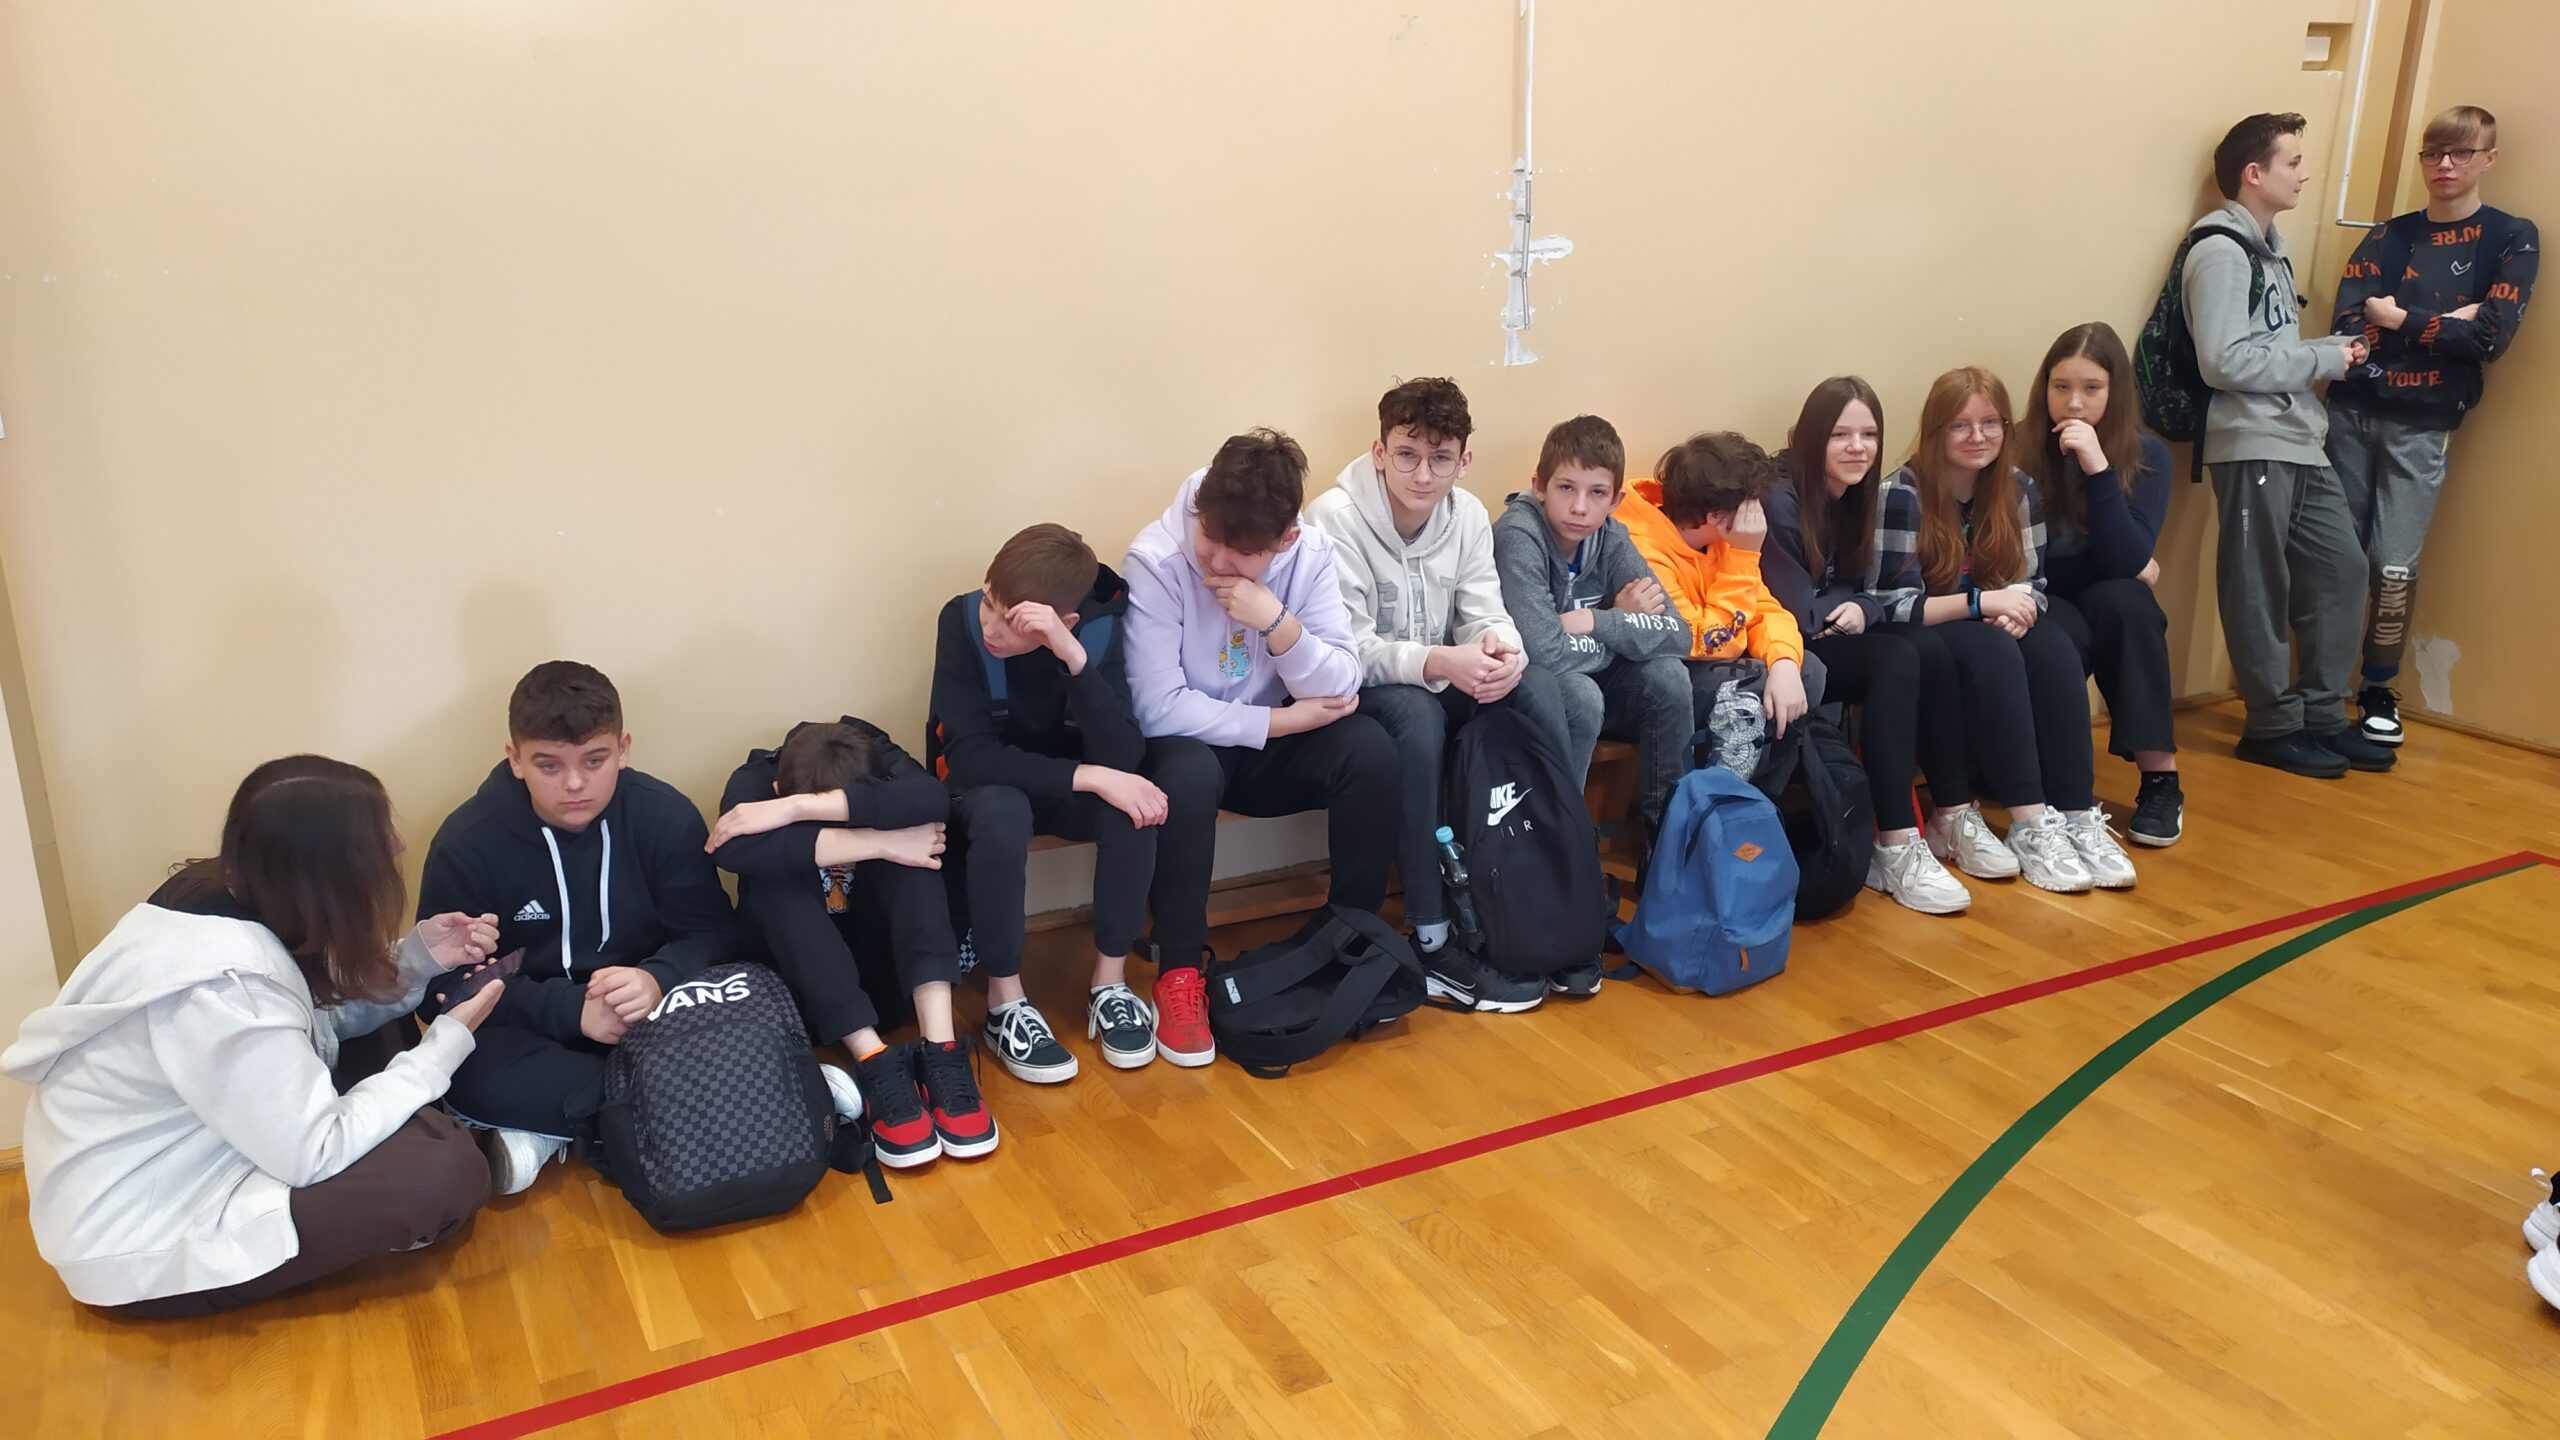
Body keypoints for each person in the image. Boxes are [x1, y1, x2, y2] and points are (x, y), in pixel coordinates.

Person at [3, 756, 505, 1316]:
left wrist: (416, 959)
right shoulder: (224, 987)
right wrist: (445, 1043)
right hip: (139, 1233)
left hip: (202, 1134)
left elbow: (309, 1015)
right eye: (379, 837)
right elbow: (313, 1153)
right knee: (445, 1173)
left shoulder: (218, 894)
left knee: (385, 1013)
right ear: (329, 867)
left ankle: (414, 1130)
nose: (398, 845)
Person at [1123, 428, 1400, 1062]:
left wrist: (1278, 624)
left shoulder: (1312, 553)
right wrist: (1285, 723)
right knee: (1188, 775)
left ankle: (1351, 940)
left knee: (1370, 750)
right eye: (1211, 538)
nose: (1219, 562)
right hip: (1193, 742)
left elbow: (1343, 680)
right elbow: (1156, 708)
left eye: (1243, 552)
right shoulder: (1156, 559)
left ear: (1285, 541)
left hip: (1268, 745)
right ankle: (1179, 971)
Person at [415, 661, 739, 1194]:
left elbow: (713, 935)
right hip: (536, 1030)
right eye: (548, 765)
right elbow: (444, 991)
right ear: (515, 759)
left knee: (743, 991)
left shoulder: (664, 816)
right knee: (460, 1064)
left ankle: (557, 1129)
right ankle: (723, 1097)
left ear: (623, 749)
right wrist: (571, 1011)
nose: (574, 784)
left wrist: (656, 978)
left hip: (652, 1016)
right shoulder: (467, 842)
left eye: (595, 760)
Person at [1306, 377, 1571, 1012]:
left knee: (1538, 686)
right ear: (1379, 451)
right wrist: (1438, 661)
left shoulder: (1469, 514)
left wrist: (1503, 652)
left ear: (1463, 460)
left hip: (1442, 670)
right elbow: (1350, 652)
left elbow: (1486, 611)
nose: (1423, 475)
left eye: (1440, 458)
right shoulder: (1333, 518)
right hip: (1369, 692)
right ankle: (1432, 936)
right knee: (1418, 715)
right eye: (1407, 454)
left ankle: (1550, 900)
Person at [926, 523, 1191, 1078]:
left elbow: (1124, 752)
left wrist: (1075, 661)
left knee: (1134, 807)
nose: (992, 626)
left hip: (1064, 785)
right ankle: (1004, 1001)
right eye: (991, 604)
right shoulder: (960, 621)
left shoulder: (1096, 632)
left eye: (1013, 621)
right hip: (990, 788)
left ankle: (1110, 985)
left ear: (1062, 622)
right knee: (1003, 812)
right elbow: (970, 757)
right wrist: (1090, 776)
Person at [1872, 367, 2136, 894]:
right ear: (1936, 430)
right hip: (1931, 625)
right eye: (1960, 425)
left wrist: (2022, 608)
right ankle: (2029, 823)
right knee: (1991, 650)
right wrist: (1982, 603)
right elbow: (1890, 602)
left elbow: (2032, 581)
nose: (1978, 436)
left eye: (1991, 423)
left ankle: (2076, 814)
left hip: (1995, 615)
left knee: (2054, 646)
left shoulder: (2017, 487)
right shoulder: (1902, 491)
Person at [2185, 111, 2391, 779]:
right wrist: (2322, 359)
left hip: (2300, 437)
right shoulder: (2220, 250)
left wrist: (2325, 351)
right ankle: (2272, 726)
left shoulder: (2269, 249)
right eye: (2293, 162)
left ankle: (2323, 716)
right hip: (2252, 441)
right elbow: (2223, 361)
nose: (2304, 174)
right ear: (2255, 173)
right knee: (2258, 584)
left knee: (2342, 570)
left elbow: (2265, 349)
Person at [2329, 105, 2540, 750]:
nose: (2444, 165)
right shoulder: (2388, 236)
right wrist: (2448, 321)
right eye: (2433, 153)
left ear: (2488, 159)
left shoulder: (2512, 236)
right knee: (2336, 559)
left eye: (2461, 153)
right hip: (2350, 412)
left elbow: (2490, 339)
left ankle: (2377, 687)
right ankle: (2321, 686)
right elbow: (2347, 329)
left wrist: (2397, 318)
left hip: (2424, 424)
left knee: (2394, 566)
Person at [707, 718, 995, 1169]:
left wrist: (796, 810)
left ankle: (941, 1053)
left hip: (889, 980)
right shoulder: (755, 777)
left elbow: (933, 798)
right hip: (806, 998)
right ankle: (874, 1061)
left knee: (917, 859)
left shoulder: (876, 753)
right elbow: (729, 848)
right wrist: (879, 841)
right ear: (777, 788)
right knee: (772, 882)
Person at [1763, 377, 1974, 915]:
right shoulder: (1780, 499)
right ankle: (1895, 842)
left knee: (1927, 647)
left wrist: (1863, 606)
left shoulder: (1856, 496)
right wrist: (1857, 603)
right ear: (1812, 437)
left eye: (1869, 435)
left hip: (1830, 636)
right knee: (1894, 659)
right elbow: (1803, 616)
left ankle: (1951, 815)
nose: (1858, 447)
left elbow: (1870, 593)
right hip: (1783, 651)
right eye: (1840, 435)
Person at [1490, 416, 1692, 860]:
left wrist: (1593, 622)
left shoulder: (1611, 537)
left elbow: (1679, 635)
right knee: (1581, 694)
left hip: (1591, 672)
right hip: (1532, 689)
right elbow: (1542, 651)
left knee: (1669, 677)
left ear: (1615, 500)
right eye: (1566, 488)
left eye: (1597, 493)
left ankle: (1666, 851)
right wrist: (1623, 625)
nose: (1580, 507)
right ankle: (1561, 849)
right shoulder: (1518, 534)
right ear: (1539, 486)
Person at [2017, 322, 2184, 846]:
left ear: (2115, 392)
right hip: (2041, 591)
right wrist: (2135, 562)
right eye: (2061, 387)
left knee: (2130, 604)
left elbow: (2125, 560)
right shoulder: (2019, 447)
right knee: (2058, 632)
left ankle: (2161, 782)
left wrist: (2098, 468)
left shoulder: (2147, 455)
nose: (2074, 403)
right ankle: (2063, 790)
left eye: (2092, 388)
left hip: (2104, 588)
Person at [1615, 431, 1823, 781]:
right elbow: (1701, 641)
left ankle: (1751, 801)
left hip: (1710, 665)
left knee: (1807, 671)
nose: (1759, 513)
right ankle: (1713, 800)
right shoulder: (1641, 548)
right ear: (1717, 517)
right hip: (1666, 676)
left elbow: (1765, 610)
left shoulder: (1723, 538)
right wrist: (1743, 557)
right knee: (1757, 686)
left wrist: (1784, 663)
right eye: (1752, 505)